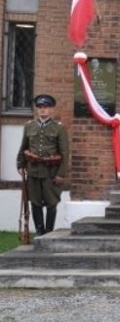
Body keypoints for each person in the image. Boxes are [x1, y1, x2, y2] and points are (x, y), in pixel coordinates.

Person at [16, 94, 70, 236]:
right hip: (33, 171)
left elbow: (64, 152)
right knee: (35, 203)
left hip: (51, 173)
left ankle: (49, 232)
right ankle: (40, 233)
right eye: (40, 107)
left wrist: (61, 173)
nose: (42, 110)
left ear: (52, 109)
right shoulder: (29, 126)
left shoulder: (58, 128)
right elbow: (23, 147)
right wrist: (20, 164)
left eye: (46, 107)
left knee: (51, 203)